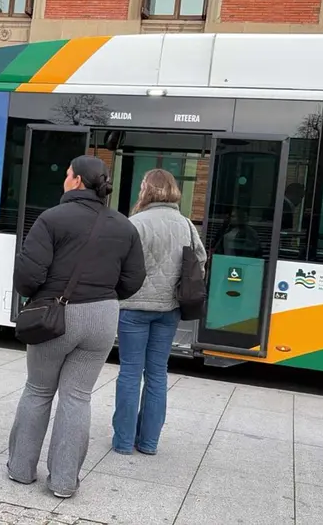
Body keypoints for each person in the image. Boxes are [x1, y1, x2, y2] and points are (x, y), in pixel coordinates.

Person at [7, 155, 146, 499]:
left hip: (58, 316)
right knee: (78, 396)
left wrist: (42, 292)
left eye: (67, 174)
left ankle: (21, 470)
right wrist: (103, 295)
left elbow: (28, 276)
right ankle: (64, 481)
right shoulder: (124, 226)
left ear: (78, 181)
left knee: (39, 390)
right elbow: (133, 279)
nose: (64, 179)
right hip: (103, 316)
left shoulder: (51, 219)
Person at [113, 169, 206, 456]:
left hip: (134, 308)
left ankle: (124, 442)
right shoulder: (186, 225)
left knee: (130, 373)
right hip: (169, 310)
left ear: (146, 190)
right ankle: (149, 442)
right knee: (157, 374)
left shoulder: (135, 223)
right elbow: (200, 262)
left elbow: (118, 264)